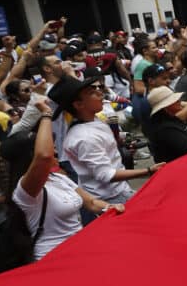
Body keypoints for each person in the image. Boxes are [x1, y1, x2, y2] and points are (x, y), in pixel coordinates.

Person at [11, 100, 125, 261]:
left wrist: (110, 207)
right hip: (53, 258)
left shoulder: (59, 178)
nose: (55, 150)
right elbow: (44, 156)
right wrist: (46, 114)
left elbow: (91, 203)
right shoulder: (25, 190)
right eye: (51, 147)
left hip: (80, 249)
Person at [50, 75, 162, 222]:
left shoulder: (94, 121)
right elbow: (105, 175)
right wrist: (148, 171)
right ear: (78, 105)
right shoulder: (84, 137)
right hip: (111, 198)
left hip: (119, 190)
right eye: (91, 92)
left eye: (98, 89)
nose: (100, 93)